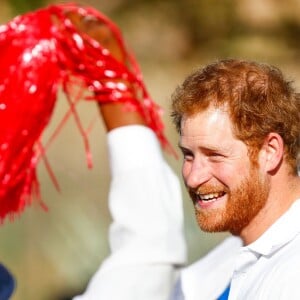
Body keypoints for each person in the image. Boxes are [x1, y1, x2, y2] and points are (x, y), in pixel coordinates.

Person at [170, 59, 300, 299]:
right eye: (189, 155)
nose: (193, 177)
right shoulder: (242, 250)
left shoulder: (291, 279)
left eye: (214, 155)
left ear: (270, 152)